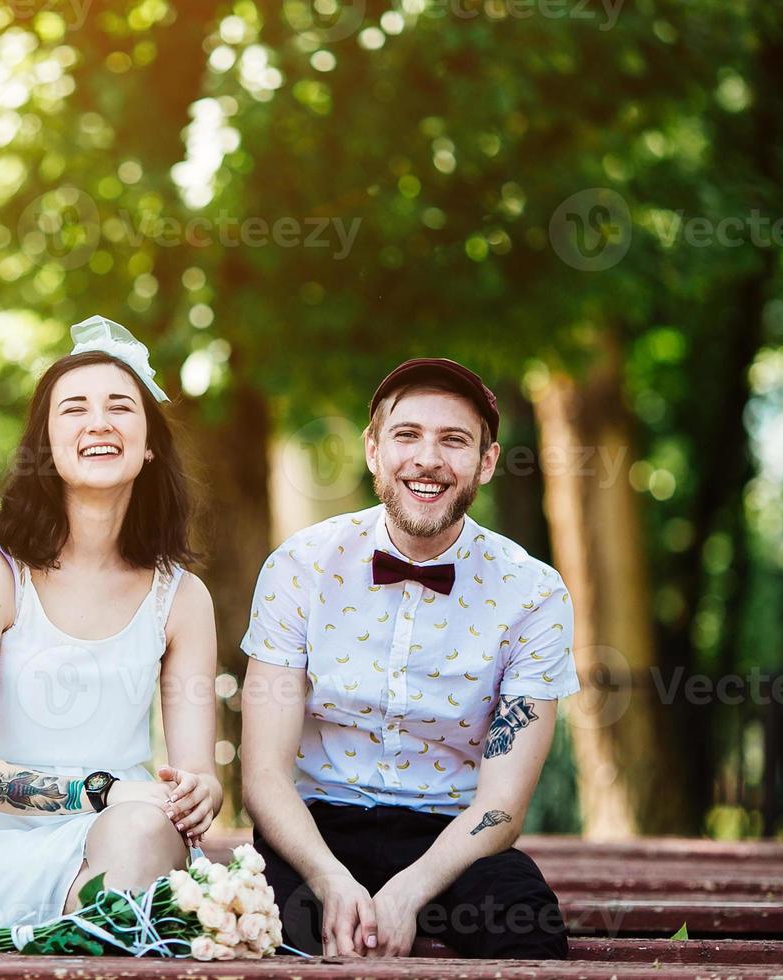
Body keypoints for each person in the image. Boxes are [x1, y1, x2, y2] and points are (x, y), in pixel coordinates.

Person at [239, 357, 579, 959]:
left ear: (488, 462)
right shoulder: (299, 567)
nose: (428, 459)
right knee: (257, 937)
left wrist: (408, 893)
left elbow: (502, 806)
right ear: (373, 451)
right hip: (315, 829)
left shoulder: (534, 592)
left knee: (528, 931)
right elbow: (264, 774)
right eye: (407, 435)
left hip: (451, 838)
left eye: (454, 440)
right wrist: (329, 878)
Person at [0, 316, 222, 950]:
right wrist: (105, 790)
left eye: (120, 407)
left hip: (118, 842)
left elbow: (197, 775)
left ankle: (93, 939)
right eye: (73, 409)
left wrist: (198, 795)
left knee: (146, 833)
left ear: (149, 442)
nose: (98, 422)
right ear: (46, 443)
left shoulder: (182, 598)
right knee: (137, 829)